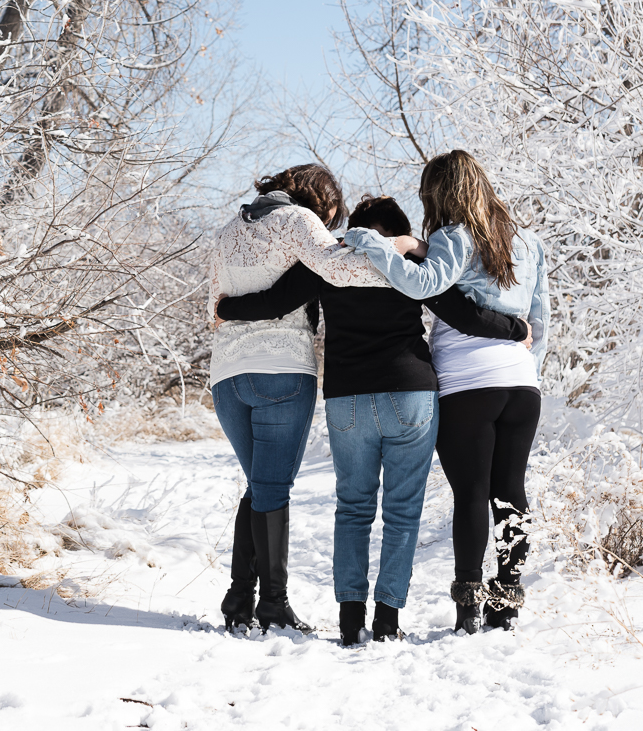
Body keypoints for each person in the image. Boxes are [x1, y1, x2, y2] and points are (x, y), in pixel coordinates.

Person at [216, 195, 529, 646]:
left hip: (347, 399)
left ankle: (349, 619)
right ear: (399, 230)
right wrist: (517, 330)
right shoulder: (408, 267)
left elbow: (275, 301)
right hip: (411, 394)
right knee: (402, 513)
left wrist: (226, 308)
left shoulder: (331, 261)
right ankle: (386, 620)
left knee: (354, 508)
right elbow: (463, 313)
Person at [341, 151, 549, 634]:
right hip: (521, 384)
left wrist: (378, 246)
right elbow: (541, 322)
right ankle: (507, 603)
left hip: (466, 383)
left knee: (472, 495)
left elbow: (425, 286)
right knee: (512, 496)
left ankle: (469, 609)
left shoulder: (454, 236)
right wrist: (526, 369)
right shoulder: (530, 243)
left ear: (440, 193)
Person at [207, 164, 402, 632]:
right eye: (333, 209)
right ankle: (272, 604)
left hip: (227, 376)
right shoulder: (299, 221)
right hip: (280, 372)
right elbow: (338, 268)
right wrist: (408, 262)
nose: (333, 219)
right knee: (271, 489)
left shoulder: (228, 230)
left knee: (259, 486)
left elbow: (215, 307)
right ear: (322, 198)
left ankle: (239, 598)